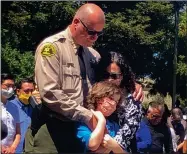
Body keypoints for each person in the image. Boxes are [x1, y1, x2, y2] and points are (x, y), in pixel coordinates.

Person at [95, 51, 143, 152]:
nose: (109, 80)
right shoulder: (94, 91)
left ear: (122, 76)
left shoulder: (133, 99)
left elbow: (127, 134)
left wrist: (106, 148)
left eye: (114, 76)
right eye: (106, 74)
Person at [76, 81, 126, 153]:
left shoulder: (114, 125)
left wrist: (115, 146)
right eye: (111, 99)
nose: (114, 104)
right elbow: (93, 145)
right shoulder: (84, 122)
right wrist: (102, 121)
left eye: (116, 101)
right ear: (98, 98)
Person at [9, 78, 34, 153]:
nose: (30, 94)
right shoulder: (9, 107)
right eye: (26, 91)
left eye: (31, 91)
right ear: (18, 91)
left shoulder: (34, 107)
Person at [1, 73, 21, 154]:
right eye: (8, 85)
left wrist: (12, 147)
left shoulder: (14, 107)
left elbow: (18, 132)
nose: (11, 89)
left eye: (13, 86)